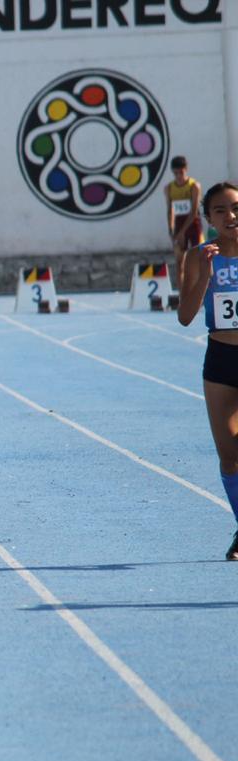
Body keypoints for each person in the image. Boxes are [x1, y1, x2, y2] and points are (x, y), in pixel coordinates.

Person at [177, 181, 238, 559]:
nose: (231, 217)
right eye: (221, 211)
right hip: (220, 359)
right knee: (228, 453)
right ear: (208, 218)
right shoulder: (199, 256)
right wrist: (205, 273)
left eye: (236, 208)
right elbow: (185, 316)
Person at [166, 155, 204, 287]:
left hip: (193, 225)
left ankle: (202, 291)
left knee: (200, 260)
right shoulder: (169, 188)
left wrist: (182, 232)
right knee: (179, 262)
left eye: (181, 173)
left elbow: (194, 212)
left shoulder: (194, 186)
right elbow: (170, 211)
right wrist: (172, 232)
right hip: (179, 225)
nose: (179, 176)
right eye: (175, 173)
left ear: (186, 170)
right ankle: (182, 296)